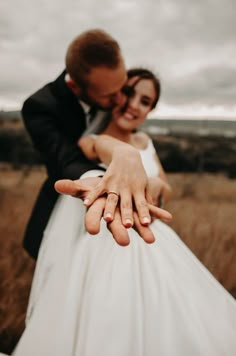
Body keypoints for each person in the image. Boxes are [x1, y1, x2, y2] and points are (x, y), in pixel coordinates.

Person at [13, 68, 236, 355]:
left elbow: (166, 188)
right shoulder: (93, 139)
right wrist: (122, 152)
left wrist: (153, 182)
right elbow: (100, 147)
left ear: (150, 111)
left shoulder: (145, 142)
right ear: (115, 94)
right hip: (105, 248)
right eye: (129, 93)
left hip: (157, 247)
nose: (133, 104)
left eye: (145, 101)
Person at [21, 29, 164, 260]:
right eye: (110, 96)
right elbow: (65, 158)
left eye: (123, 88)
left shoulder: (115, 95)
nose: (121, 101)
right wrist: (106, 180)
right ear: (76, 88)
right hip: (64, 210)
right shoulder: (40, 107)